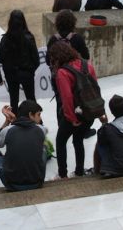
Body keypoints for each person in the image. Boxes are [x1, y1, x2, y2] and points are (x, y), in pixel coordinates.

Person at [49, 41, 97, 178]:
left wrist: (71, 118)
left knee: (60, 141)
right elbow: (95, 89)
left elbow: (67, 97)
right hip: (89, 111)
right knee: (78, 140)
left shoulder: (62, 72)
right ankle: (79, 172)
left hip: (74, 114)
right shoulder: (87, 65)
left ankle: (62, 174)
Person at [0, 101, 48, 191]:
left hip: (12, 185)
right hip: (37, 183)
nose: (40, 118)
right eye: (39, 114)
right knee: (44, 147)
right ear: (30, 115)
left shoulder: (7, 130)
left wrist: (7, 122)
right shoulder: (42, 129)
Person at [0, 10, 40, 113]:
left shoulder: (5, 39)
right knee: (31, 99)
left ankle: (15, 122)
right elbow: (36, 59)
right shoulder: (29, 38)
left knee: (13, 100)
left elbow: (0, 58)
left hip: (11, 74)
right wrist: (30, 71)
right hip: (26, 73)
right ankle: (38, 122)